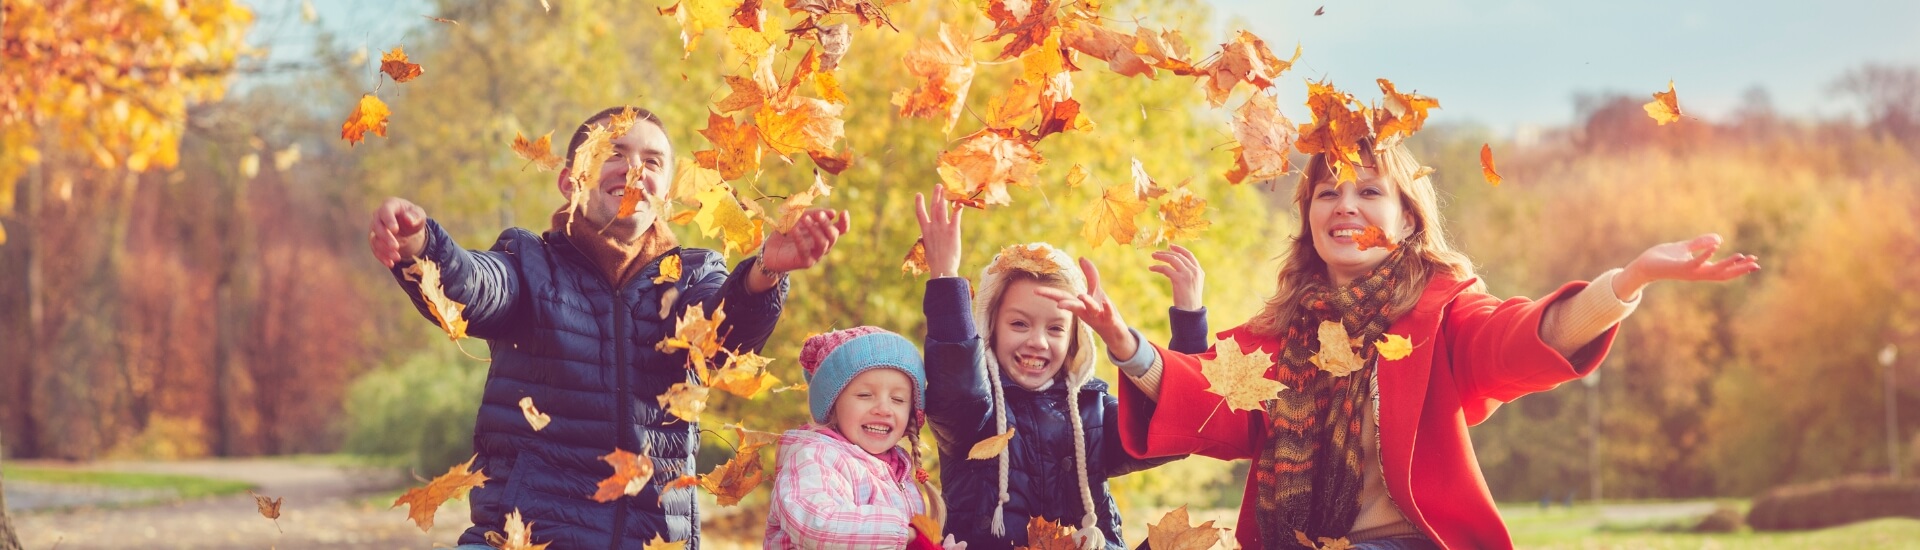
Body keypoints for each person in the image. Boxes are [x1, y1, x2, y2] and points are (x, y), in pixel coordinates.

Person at [1037, 139, 1759, 549]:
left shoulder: (1442, 310)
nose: (1345, 205)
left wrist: (1627, 282)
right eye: (1328, 194)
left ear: (1409, 220)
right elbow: (1210, 394)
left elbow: (1520, 340)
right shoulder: (1283, 331)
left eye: (1369, 192)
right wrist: (1123, 340)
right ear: (1309, 219)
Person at [368, 106, 849, 549]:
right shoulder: (527, 261)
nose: (634, 169)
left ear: (665, 192)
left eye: (652, 161)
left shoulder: (694, 276)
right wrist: (423, 248)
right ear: (569, 181)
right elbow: (476, 285)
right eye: (613, 154)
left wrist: (765, 270)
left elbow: (723, 339)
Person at [914, 187, 1180, 549]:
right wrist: (946, 276)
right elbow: (956, 387)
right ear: (991, 329)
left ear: (1074, 339)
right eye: (1019, 324)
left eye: (1055, 329)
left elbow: (1174, 430)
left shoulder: (1091, 411)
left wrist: (1181, 324)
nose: (1038, 341)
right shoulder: (976, 413)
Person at [765, 327, 951, 549]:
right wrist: (904, 535)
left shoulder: (898, 472)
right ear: (833, 405)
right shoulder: (815, 458)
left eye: (898, 399)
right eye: (865, 395)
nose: (884, 409)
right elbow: (817, 525)